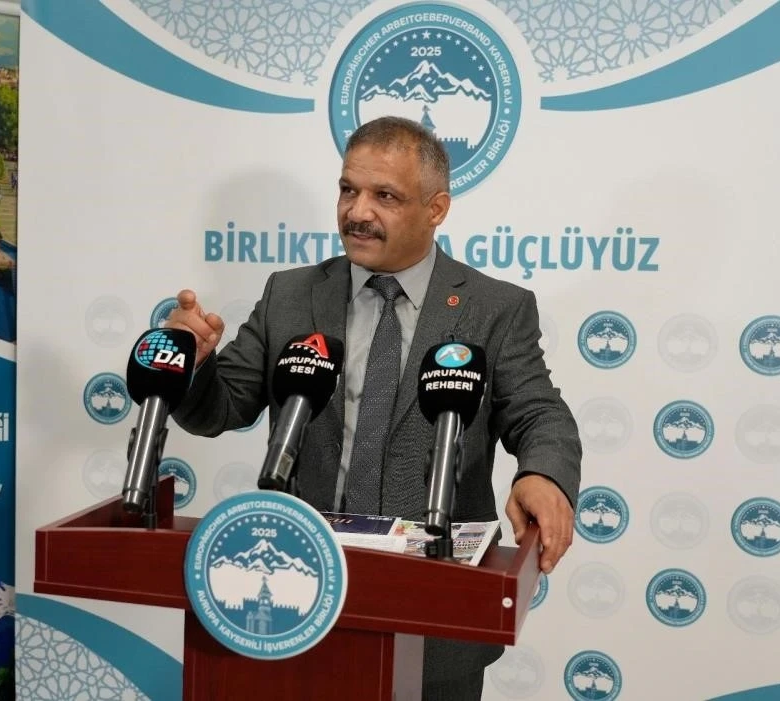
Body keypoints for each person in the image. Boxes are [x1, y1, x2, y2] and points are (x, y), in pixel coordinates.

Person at [166, 116, 582, 701]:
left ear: (436, 209)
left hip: (434, 618)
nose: (357, 212)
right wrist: (192, 363)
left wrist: (543, 474)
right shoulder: (290, 294)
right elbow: (219, 409)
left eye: (385, 196)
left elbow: (539, 412)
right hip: (298, 600)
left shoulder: (495, 308)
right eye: (348, 189)